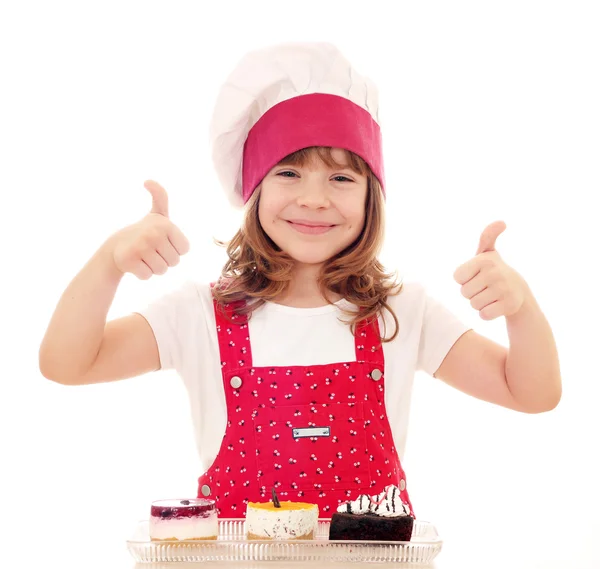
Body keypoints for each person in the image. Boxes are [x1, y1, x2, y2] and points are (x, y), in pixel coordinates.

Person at [39, 42, 562, 518]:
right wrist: (109, 261)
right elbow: (67, 363)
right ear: (254, 191)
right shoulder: (196, 316)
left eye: (340, 177)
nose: (314, 199)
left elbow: (532, 393)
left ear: (370, 197)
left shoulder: (402, 312)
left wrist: (522, 308)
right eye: (288, 173)